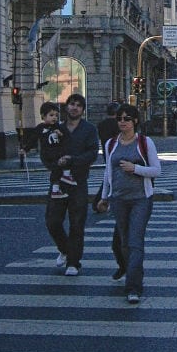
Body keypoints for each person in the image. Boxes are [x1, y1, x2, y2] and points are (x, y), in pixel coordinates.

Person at [97, 103, 161, 304]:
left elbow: (156, 170)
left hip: (141, 198)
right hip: (118, 199)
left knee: (135, 242)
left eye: (127, 118)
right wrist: (104, 197)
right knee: (124, 243)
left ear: (135, 121)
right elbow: (108, 172)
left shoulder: (144, 142)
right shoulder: (110, 144)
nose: (122, 122)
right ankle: (131, 272)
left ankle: (133, 286)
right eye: (119, 118)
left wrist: (135, 169)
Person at [43, 92, 99, 276]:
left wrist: (72, 160)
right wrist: (54, 164)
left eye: (78, 105)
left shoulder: (89, 129)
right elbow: (46, 153)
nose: (74, 107)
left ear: (82, 110)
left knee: (77, 223)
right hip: (58, 181)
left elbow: (91, 154)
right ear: (66, 107)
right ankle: (65, 249)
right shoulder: (56, 128)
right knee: (52, 221)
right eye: (71, 104)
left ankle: (74, 262)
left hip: (78, 182)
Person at [95, 101, 126, 279]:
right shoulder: (116, 130)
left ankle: (129, 270)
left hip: (109, 157)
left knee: (108, 177)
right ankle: (126, 267)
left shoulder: (101, 125)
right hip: (116, 161)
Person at [36, 101, 78, 199]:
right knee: (57, 168)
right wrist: (25, 148)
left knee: (60, 166)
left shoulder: (58, 127)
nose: (54, 117)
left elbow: (67, 139)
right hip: (47, 154)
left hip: (57, 153)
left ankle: (56, 189)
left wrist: (61, 135)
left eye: (56, 115)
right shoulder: (40, 128)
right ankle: (63, 180)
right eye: (51, 115)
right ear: (43, 116)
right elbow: (32, 138)